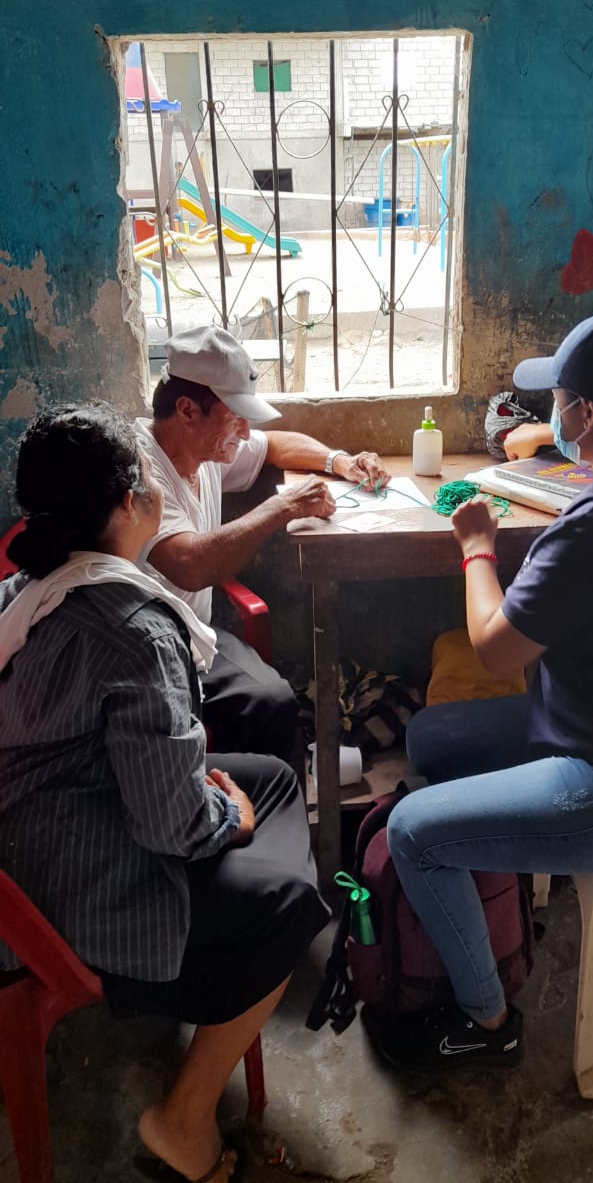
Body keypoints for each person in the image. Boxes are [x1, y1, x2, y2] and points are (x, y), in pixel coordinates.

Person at [363, 312, 593, 1077]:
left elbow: (495, 650)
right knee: (433, 739)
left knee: (414, 832)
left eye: (555, 398)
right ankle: (499, 893)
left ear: (586, 414)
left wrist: (477, 549)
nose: (547, 412)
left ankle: (486, 1021)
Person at [0, 403, 330, 1183]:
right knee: (289, 905)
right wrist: (226, 815)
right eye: (146, 476)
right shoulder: (132, 629)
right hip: (57, 888)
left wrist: (207, 789)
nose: (157, 485)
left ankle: (240, 951)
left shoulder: (28, 584)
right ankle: (183, 1120)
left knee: (276, 778)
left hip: (36, 819)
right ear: (127, 502)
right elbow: (174, 825)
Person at [135, 324, 389, 765]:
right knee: (198, 730)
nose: (245, 430)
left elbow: (275, 445)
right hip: (144, 650)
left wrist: (340, 461)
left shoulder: (203, 449)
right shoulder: (140, 469)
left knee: (273, 701)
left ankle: (267, 795)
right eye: (236, 416)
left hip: (195, 637)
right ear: (187, 410)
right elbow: (189, 563)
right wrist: (283, 506)